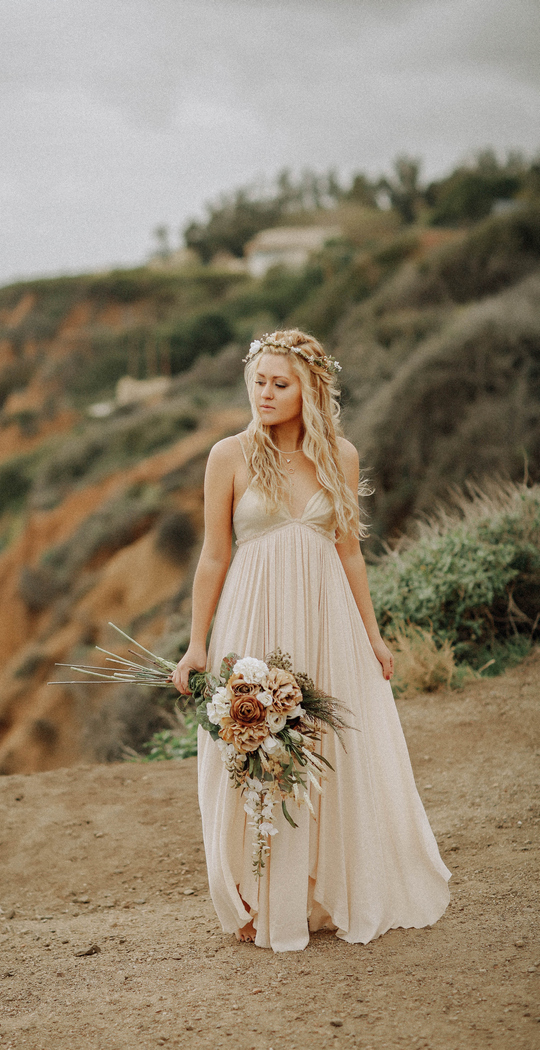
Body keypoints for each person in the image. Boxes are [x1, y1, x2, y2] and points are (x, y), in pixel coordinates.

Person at [171, 329, 450, 952]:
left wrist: (373, 637)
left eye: (280, 383)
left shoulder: (340, 458)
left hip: (326, 621)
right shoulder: (229, 456)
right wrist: (196, 646)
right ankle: (253, 895)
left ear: (309, 391)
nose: (264, 394)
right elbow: (214, 556)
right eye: (259, 380)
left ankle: (313, 893)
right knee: (247, 750)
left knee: (325, 747)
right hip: (252, 620)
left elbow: (349, 553)